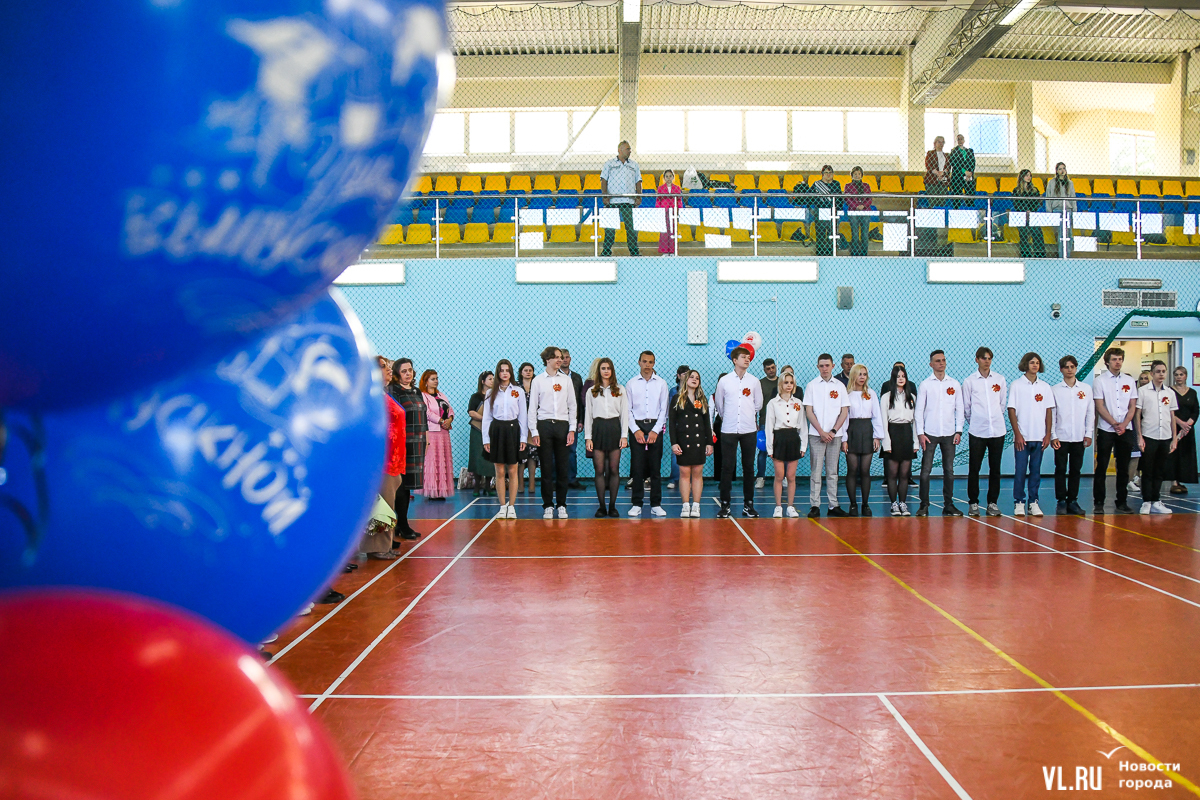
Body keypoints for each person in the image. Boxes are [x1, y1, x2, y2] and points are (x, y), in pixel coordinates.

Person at [713, 347, 763, 518]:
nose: (747, 359)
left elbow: (758, 404)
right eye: (743, 357)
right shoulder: (724, 381)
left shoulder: (754, 381)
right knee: (727, 467)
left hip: (749, 430)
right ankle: (725, 505)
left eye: (748, 357)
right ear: (735, 360)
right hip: (728, 429)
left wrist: (748, 416)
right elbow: (720, 405)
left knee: (749, 467)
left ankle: (748, 505)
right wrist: (730, 417)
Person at [528, 347, 577, 519]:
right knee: (547, 468)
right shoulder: (538, 381)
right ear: (547, 360)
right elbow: (532, 407)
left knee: (563, 467)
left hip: (562, 425)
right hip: (545, 426)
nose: (559, 360)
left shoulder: (566, 380)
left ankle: (562, 504)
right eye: (556, 357)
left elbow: (572, 406)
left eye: (560, 357)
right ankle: (548, 505)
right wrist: (534, 430)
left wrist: (571, 429)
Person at [915, 350, 964, 517]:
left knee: (949, 471)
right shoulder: (925, 385)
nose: (941, 363)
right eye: (937, 361)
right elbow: (919, 410)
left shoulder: (955, 384)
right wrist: (920, 433)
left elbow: (960, 409)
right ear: (931, 364)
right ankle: (924, 505)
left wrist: (959, 431)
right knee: (925, 470)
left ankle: (948, 505)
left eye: (943, 360)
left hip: (950, 434)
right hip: (930, 434)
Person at [1007, 352, 1056, 516]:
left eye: (1037, 362)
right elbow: (1011, 410)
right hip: (1023, 438)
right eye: (1032, 362)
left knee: (1035, 471)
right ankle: (1019, 501)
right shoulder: (1016, 385)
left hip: (1039, 437)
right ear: (1025, 364)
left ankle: (1033, 502)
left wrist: (1048, 434)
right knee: (1020, 470)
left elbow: (1049, 411)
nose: (1035, 365)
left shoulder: (1045, 387)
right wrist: (1018, 434)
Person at [962, 346, 1007, 517]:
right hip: (977, 432)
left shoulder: (1000, 380)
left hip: (997, 431)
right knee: (974, 468)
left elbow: (1001, 405)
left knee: (995, 469)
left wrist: (993, 419)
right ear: (977, 360)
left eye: (989, 358)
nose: (986, 361)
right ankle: (973, 502)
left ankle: (992, 503)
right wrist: (976, 421)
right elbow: (967, 407)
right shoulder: (969, 381)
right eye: (983, 358)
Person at [366, 357, 404, 560]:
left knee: (387, 503)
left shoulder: (383, 394)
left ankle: (385, 544)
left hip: (395, 458)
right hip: (383, 460)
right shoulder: (370, 396)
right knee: (383, 505)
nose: (389, 370)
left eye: (389, 367)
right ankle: (377, 547)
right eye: (383, 367)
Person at [804, 353, 850, 518]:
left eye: (827, 365)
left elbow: (844, 411)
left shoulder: (839, 386)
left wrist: (833, 431)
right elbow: (809, 411)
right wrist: (821, 432)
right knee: (816, 471)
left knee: (832, 472)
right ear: (818, 367)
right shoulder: (812, 386)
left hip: (835, 436)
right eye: (821, 366)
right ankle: (815, 505)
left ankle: (833, 505)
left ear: (833, 366)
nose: (824, 368)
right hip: (816, 435)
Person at [1092, 347, 1137, 514]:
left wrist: (1124, 424)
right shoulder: (1100, 381)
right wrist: (1114, 423)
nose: (1117, 362)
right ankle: (1098, 502)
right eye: (1114, 359)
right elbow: (1099, 405)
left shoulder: (1129, 381)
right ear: (1107, 361)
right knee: (1102, 466)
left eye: (1120, 359)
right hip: (1106, 429)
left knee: (1123, 467)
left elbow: (1132, 406)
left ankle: (1122, 501)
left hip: (1125, 429)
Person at [626, 350, 669, 517]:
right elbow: (627, 409)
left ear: (654, 363)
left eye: (650, 362)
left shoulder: (661, 384)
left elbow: (664, 410)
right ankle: (637, 503)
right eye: (644, 361)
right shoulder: (631, 384)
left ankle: (656, 503)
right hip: (636, 426)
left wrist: (655, 431)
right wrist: (635, 430)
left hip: (655, 427)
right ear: (639, 362)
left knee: (655, 469)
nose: (647, 365)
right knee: (637, 468)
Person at [584, 356, 629, 518]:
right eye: (603, 368)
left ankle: (612, 506)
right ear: (599, 371)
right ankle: (602, 506)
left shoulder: (620, 389)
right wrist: (588, 437)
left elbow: (624, 415)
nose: (606, 371)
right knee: (599, 469)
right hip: (598, 429)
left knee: (613, 469)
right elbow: (588, 415)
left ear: (612, 371)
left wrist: (624, 436)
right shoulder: (592, 391)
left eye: (608, 368)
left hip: (614, 428)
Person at [483, 359, 527, 520]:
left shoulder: (518, 391)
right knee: (499, 470)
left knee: (513, 470)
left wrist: (523, 437)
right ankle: (502, 506)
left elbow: (523, 416)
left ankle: (512, 506)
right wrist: (486, 439)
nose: (504, 373)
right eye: (502, 370)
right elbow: (486, 418)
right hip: (497, 431)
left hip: (513, 431)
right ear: (498, 373)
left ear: (511, 372)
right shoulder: (490, 393)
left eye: (507, 370)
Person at [387, 358, 425, 540]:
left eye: (410, 370)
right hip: (402, 443)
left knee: (408, 485)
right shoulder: (394, 391)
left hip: (417, 442)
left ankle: (403, 523)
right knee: (399, 485)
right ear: (396, 374)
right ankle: (400, 524)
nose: (408, 373)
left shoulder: (417, 391)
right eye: (404, 371)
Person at [839, 364, 884, 516]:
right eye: (859, 374)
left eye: (864, 374)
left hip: (866, 431)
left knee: (865, 470)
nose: (862, 377)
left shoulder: (871, 393)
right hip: (852, 430)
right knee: (852, 469)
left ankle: (865, 504)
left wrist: (877, 436)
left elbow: (877, 415)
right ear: (853, 376)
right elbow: (844, 418)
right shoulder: (847, 394)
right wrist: (844, 439)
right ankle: (853, 504)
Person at [1050, 356, 1093, 516]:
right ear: (1061, 369)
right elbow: (1052, 414)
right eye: (1066, 367)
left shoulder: (1085, 389)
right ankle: (1061, 501)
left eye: (1072, 366)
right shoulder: (1054, 390)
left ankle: (1073, 501)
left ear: (1076, 368)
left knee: (1076, 469)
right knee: (1060, 469)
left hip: (1079, 437)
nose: (1069, 369)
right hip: (1061, 436)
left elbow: (1090, 413)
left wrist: (1088, 434)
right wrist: (1053, 435)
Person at [1134, 360, 1178, 515]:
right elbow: (1138, 415)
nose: (1161, 374)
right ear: (1151, 373)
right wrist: (1139, 437)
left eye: (1163, 371)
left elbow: (1172, 415)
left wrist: (1174, 438)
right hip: (1149, 436)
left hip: (1165, 436)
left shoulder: (1170, 393)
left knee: (1159, 470)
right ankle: (1146, 501)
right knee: (1147, 470)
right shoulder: (1143, 391)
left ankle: (1156, 500)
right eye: (1158, 371)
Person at [669, 369, 713, 518]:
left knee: (697, 473)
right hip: (683, 441)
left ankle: (696, 505)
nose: (695, 379)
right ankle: (685, 505)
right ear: (686, 379)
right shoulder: (677, 399)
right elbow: (672, 424)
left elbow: (707, 423)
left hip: (699, 441)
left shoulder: (701, 399)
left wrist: (709, 442)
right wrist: (674, 443)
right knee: (684, 473)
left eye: (697, 378)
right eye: (692, 377)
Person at [765, 372, 808, 518]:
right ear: (780, 385)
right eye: (786, 382)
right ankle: (778, 507)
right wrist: (770, 447)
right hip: (779, 438)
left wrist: (803, 446)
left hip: (793, 438)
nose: (788, 385)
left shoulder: (798, 403)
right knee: (779, 475)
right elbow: (769, 426)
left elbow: (803, 425)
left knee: (791, 476)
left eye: (791, 382)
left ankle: (790, 506)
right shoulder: (773, 403)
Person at [881, 365, 917, 516]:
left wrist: (915, 441)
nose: (901, 379)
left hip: (906, 434)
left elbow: (915, 421)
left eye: (903, 376)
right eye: (898, 376)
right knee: (892, 474)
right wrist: (886, 442)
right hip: (893, 433)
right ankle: (894, 504)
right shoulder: (886, 397)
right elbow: (883, 421)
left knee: (904, 474)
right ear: (893, 379)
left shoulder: (912, 397)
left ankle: (903, 503)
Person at [599, 140, 641, 257]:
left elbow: (638, 181)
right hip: (613, 201)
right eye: (628, 149)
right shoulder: (609, 164)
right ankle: (606, 250)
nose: (630, 151)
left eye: (630, 149)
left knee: (631, 228)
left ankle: (634, 251)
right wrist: (605, 195)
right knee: (610, 228)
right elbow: (604, 180)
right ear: (620, 150)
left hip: (628, 201)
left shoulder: (634, 165)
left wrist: (639, 195)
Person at [418, 370, 455, 501]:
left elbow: (450, 409)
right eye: (433, 379)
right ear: (426, 381)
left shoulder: (441, 395)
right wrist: (440, 421)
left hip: (444, 432)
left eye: (437, 378)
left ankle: (441, 490)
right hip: (432, 431)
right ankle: (432, 491)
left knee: (442, 460)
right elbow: (426, 412)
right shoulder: (423, 396)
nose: (436, 381)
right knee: (432, 460)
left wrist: (449, 419)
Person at [1166, 366, 1198, 495]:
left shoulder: (1192, 393)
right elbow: (1168, 409)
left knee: (1186, 455)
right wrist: (1180, 423)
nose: (1179, 377)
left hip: (1187, 430)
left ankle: (1181, 480)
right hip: (1174, 427)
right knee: (1174, 454)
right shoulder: (1169, 391)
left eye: (1181, 374)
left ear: (1186, 376)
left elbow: (1196, 410)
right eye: (1176, 374)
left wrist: (1188, 425)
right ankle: (1173, 482)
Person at [561, 348, 585, 490]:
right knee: (554, 452)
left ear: (570, 359)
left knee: (571, 450)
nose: (564, 359)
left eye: (567, 357)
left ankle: (571, 479)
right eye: (562, 357)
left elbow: (580, 400)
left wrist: (580, 420)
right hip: (558, 419)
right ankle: (554, 480)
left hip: (573, 420)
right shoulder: (553, 377)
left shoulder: (576, 377)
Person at [467, 371, 494, 497]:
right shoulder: (476, 396)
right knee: (477, 457)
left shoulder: (495, 396)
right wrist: (485, 419)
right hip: (477, 430)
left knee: (490, 458)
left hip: (491, 431)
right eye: (490, 379)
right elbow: (471, 412)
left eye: (494, 378)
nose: (492, 381)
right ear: (483, 381)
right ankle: (477, 486)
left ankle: (488, 487)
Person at [1043, 161, 1077, 258]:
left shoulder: (1070, 183)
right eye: (1060, 169)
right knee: (1061, 234)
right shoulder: (1051, 183)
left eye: (1064, 168)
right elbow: (1048, 197)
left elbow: (1073, 197)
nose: (1062, 171)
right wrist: (1049, 212)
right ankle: (1061, 255)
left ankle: (1068, 254)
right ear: (1057, 171)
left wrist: (1074, 211)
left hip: (1068, 209)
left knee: (1068, 234)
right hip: (1057, 210)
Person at [755, 358, 779, 489]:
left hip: (780, 423)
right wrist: (755, 421)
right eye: (768, 369)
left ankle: (783, 477)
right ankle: (760, 477)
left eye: (773, 368)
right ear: (764, 370)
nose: (771, 370)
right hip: (764, 422)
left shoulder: (782, 381)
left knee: (781, 451)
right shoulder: (760, 383)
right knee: (763, 451)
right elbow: (755, 404)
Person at [1013, 170, 1046, 259]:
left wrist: (1031, 211)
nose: (1029, 177)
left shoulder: (1035, 190)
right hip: (1022, 215)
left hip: (1033, 215)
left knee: (1037, 234)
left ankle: (1039, 254)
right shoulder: (1017, 191)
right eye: (1027, 175)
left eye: (1030, 176)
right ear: (1022, 177)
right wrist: (1024, 210)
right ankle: (1025, 255)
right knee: (1023, 235)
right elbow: (1016, 204)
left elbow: (1036, 203)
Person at [810, 166, 841, 256]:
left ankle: (831, 253)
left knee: (832, 233)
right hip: (820, 211)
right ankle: (820, 253)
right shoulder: (817, 184)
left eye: (830, 173)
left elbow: (839, 199)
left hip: (832, 212)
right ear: (822, 174)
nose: (828, 175)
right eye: (826, 173)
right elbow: (809, 196)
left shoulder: (836, 184)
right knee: (820, 234)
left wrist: (836, 209)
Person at [668, 364, 690, 490]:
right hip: (677, 425)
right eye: (683, 374)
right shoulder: (673, 391)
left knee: (690, 453)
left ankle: (689, 480)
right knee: (675, 453)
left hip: (691, 425)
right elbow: (671, 410)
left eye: (688, 374)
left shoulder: (694, 390)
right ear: (678, 376)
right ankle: (674, 479)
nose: (686, 377)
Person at [1130, 370, 1151, 493]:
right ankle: (1133, 478)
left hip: (1149, 428)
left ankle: (1145, 477)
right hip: (1136, 427)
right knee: (1135, 454)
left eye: (1146, 378)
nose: (1144, 381)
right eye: (1142, 378)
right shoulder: (1136, 394)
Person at [844, 167, 873, 256]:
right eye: (855, 174)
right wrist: (856, 206)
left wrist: (863, 205)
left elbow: (870, 198)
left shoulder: (866, 185)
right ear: (852, 175)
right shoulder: (848, 186)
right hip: (853, 211)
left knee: (864, 234)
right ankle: (855, 253)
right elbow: (847, 198)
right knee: (855, 234)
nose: (857, 176)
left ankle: (864, 253)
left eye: (859, 174)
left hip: (865, 211)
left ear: (861, 175)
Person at [656, 169, 683, 255]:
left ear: (673, 177)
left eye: (670, 176)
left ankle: (672, 251)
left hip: (674, 211)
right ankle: (665, 251)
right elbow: (658, 200)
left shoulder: (677, 188)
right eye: (666, 177)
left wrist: (679, 210)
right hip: (664, 211)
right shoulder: (660, 188)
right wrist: (658, 210)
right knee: (664, 232)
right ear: (664, 178)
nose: (668, 178)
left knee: (673, 231)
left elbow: (679, 200)